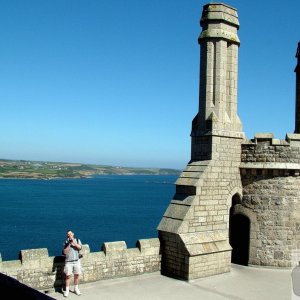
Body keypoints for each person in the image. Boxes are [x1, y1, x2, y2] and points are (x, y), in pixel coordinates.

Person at [62, 230, 82, 297]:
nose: (69, 235)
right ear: (67, 235)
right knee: (68, 277)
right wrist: (69, 244)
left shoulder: (78, 240)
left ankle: (76, 289)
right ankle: (67, 291)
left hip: (76, 261)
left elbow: (80, 247)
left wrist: (74, 243)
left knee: (77, 276)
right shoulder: (66, 242)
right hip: (68, 262)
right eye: (68, 234)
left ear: (73, 234)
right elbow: (64, 252)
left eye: (70, 234)